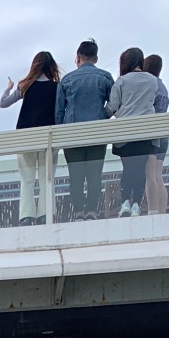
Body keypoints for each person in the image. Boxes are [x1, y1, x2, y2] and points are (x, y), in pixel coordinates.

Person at [55, 39, 114, 220]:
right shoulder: (105, 77)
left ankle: (79, 211)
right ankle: (92, 211)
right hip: (97, 133)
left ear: (78, 57)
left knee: (76, 176)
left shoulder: (67, 80)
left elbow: (59, 111)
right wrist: (103, 115)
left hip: (72, 135)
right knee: (95, 175)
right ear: (96, 58)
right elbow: (114, 104)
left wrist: (59, 135)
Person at [0, 51, 62, 224]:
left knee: (27, 178)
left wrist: (9, 87)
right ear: (52, 67)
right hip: (49, 137)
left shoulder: (25, 85)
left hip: (25, 136)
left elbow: (3, 103)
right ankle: (46, 214)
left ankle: (26, 216)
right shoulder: (57, 87)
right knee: (46, 177)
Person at [106, 48, 160, 217]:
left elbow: (112, 107)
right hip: (147, 131)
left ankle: (125, 203)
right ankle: (137, 203)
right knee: (140, 169)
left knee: (128, 168)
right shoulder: (152, 80)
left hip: (125, 132)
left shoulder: (122, 81)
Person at [143, 54, 169, 214]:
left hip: (152, 132)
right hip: (164, 132)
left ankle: (152, 211)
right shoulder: (163, 88)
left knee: (149, 174)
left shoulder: (150, 85)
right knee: (158, 175)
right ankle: (162, 211)